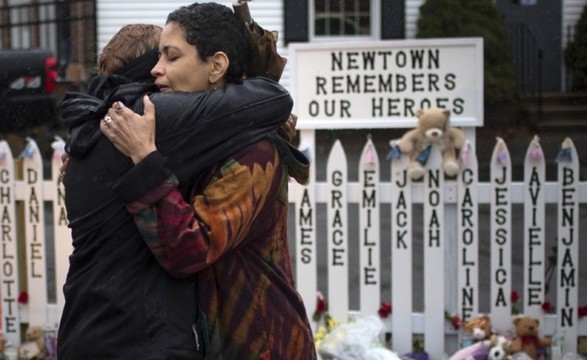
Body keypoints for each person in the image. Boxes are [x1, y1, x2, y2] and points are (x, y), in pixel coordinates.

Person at [58, 21, 297, 359]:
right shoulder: (147, 118)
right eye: (160, 59)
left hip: (88, 325)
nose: (161, 71)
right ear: (146, 74)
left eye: (172, 59)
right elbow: (271, 100)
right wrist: (145, 159)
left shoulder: (96, 128)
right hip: (140, 337)